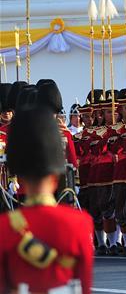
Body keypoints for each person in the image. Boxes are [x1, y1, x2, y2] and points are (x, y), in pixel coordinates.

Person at [0, 107, 94, 293]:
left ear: (21, 175)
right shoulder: (80, 222)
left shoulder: (5, 227)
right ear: (55, 176)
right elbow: (83, 285)